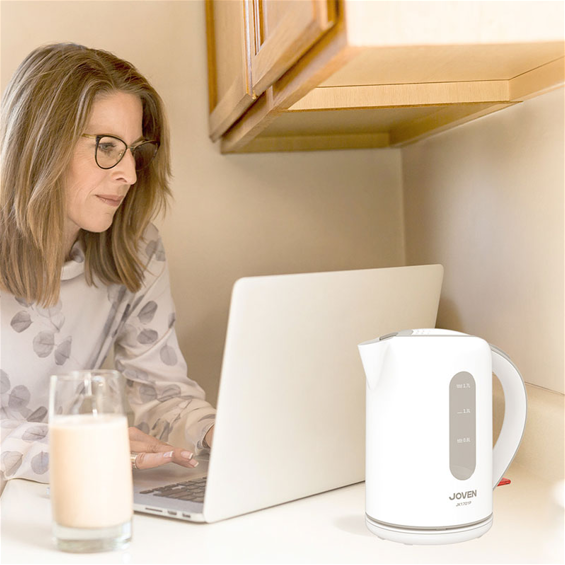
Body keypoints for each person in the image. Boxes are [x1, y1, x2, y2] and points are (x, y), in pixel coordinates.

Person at [0, 42, 216, 490]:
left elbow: (162, 395)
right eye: (106, 146)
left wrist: (215, 432)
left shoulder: (136, 250)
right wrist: (74, 445)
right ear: (40, 144)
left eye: (133, 150)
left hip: (66, 499)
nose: (130, 175)